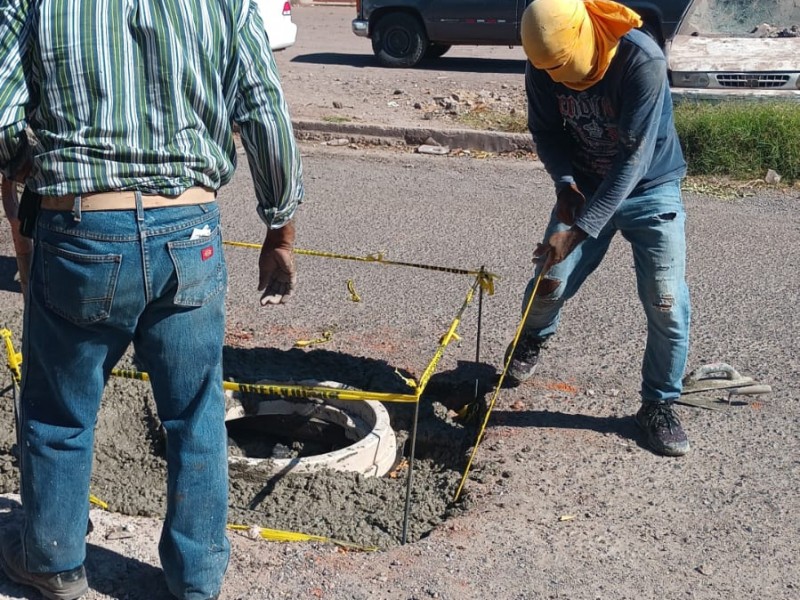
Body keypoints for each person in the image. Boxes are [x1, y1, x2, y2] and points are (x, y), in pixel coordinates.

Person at [0, 1, 303, 599]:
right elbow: (263, 106)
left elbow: (3, 112)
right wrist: (280, 228)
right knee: (194, 412)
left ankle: (54, 560)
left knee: (59, 411)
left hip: (82, 227)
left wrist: (35, 166)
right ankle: (195, 580)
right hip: (188, 230)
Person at [507, 0, 691, 457]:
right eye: (554, 72)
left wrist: (579, 230)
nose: (564, 81)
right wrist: (564, 184)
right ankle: (533, 338)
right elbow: (545, 131)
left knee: (665, 300)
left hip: (650, 189)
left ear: (587, 37)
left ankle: (658, 405)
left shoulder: (641, 60)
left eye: (569, 69)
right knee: (548, 281)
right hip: (585, 186)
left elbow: (633, 160)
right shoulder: (543, 64)